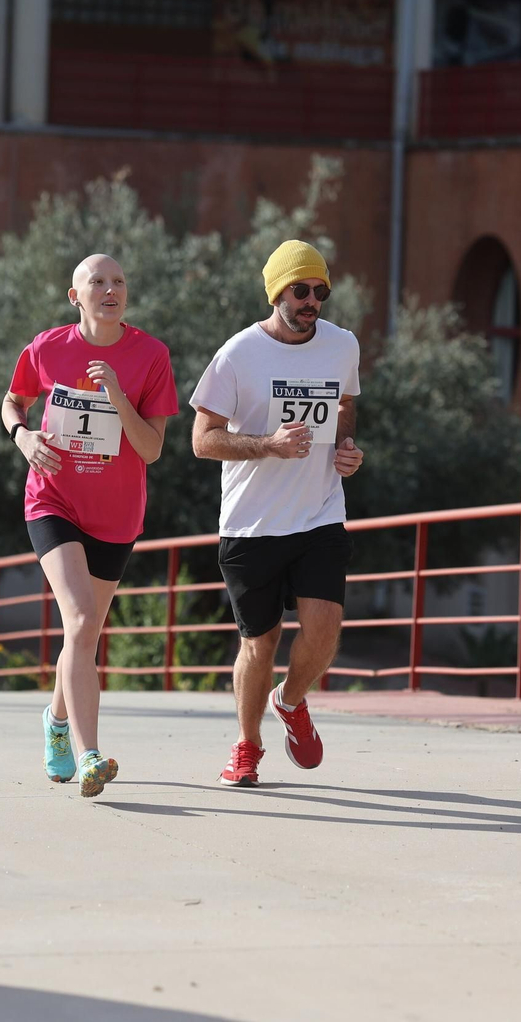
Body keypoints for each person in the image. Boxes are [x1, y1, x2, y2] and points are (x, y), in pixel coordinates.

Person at [1, 253, 180, 797]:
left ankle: (56, 722)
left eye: (119, 281)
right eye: (97, 282)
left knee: (84, 633)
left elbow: (150, 450)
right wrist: (24, 437)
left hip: (116, 516)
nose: (111, 289)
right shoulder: (48, 347)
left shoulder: (150, 355)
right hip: (53, 501)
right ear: (74, 295)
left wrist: (116, 398)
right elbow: (14, 402)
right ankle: (89, 756)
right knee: (79, 620)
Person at [189, 239, 365, 786]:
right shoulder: (238, 354)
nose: (313, 300)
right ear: (276, 292)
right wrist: (268, 444)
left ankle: (290, 701)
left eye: (321, 291)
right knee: (259, 643)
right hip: (251, 523)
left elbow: (345, 408)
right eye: (301, 289)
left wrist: (347, 450)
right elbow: (202, 440)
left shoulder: (343, 346)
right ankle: (247, 745)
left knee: (325, 627)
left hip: (318, 514)